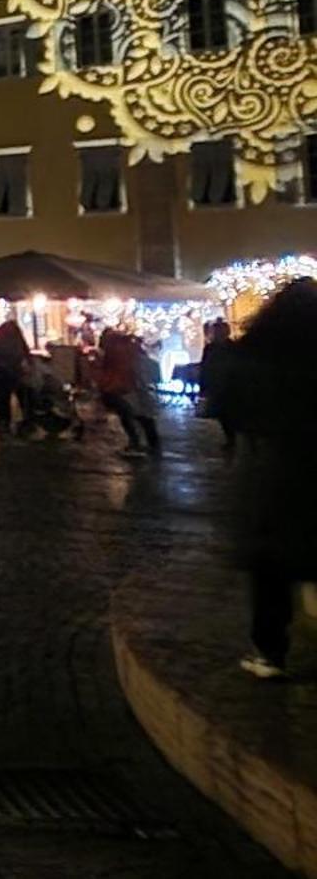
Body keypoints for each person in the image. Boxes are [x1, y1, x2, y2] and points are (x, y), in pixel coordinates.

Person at [221, 278, 317, 678]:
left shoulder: (256, 354)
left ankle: (270, 652)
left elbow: (231, 405)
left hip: (274, 471)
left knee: (271, 565)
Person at [93, 327, 159, 457]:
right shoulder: (129, 347)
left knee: (131, 415)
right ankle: (150, 444)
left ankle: (137, 443)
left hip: (122, 387)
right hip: (129, 386)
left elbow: (112, 369)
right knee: (139, 416)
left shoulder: (115, 350)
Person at [199, 317, 238, 451]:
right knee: (223, 414)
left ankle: (232, 438)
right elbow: (205, 366)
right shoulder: (213, 348)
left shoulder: (231, 347)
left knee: (228, 413)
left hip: (229, 384)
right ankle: (231, 438)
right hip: (219, 384)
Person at [0, 318, 28, 433]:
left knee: (1, 400)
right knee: (20, 398)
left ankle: (3, 422)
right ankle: (25, 421)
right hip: (15, 374)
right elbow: (25, 354)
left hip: (1, 375)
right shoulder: (18, 342)